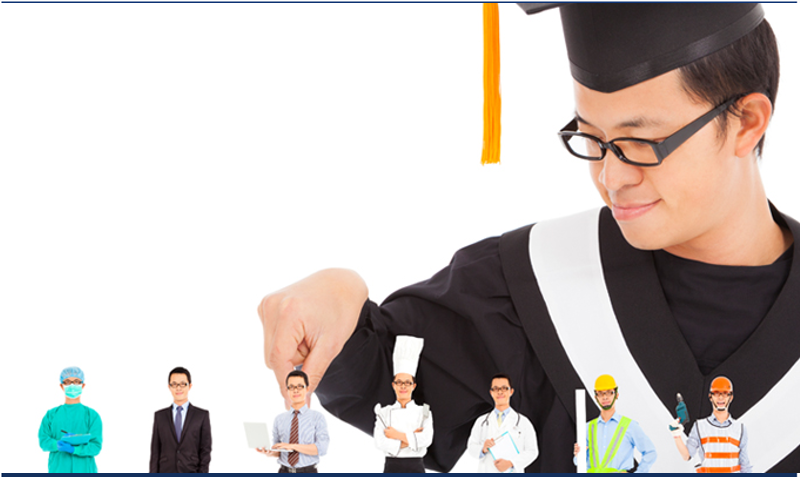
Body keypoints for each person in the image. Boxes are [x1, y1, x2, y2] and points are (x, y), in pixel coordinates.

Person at [257, 4, 799, 472]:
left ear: (747, 121)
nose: (611, 178)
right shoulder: (525, 290)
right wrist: (339, 291)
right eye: (591, 139)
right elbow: (381, 379)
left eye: (639, 142)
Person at [373, 335, 434, 473]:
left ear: (414, 386)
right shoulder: (383, 412)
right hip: (391, 468)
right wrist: (412, 439)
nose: (403, 387)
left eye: (407, 383)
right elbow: (380, 442)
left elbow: (426, 439)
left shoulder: (424, 412)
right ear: (393, 385)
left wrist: (396, 434)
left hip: (416, 467)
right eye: (399, 382)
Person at [573, 375, 656, 473]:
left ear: (616, 395)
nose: (605, 397)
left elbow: (650, 452)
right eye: (601, 393)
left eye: (609, 392)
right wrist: (578, 455)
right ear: (596, 397)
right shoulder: (587, 428)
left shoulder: (630, 426)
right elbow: (579, 462)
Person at [670, 376, 752, 473]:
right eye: (716, 393)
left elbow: (745, 465)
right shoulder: (699, 426)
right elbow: (686, 455)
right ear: (710, 396)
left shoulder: (740, 428)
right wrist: (676, 435)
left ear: (731, 397)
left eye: (725, 393)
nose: (720, 397)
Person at [257, 370, 329, 473]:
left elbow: (322, 449)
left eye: (300, 386)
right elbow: (279, 451)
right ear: (287, 390)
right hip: (284, 471)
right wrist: (269, 452)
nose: (295, 390)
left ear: (307, 388)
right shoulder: (279, 419)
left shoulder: (317, 417)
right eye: (291, 387)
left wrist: (292, 446)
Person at [466, 374, 538, 473]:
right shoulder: (481, 422)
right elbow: (471, 448)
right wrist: (483, 448)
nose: (499, 392)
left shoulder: (523, 422)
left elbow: (532, 451)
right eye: (495, 389)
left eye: (504, 388)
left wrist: (511, 463)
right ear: (491, 392)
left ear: (511, 391)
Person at [38, 367, 103, 473]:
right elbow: (43, 441)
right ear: (61, 386)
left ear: (83, 385)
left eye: (76, 382)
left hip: (85, 470)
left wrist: (75, 449)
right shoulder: (51, 415)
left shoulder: (92, 415)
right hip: (58, 469)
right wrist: (56, 444)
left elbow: (96, 446)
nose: (72, 385)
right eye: (67, 382)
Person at [149, 366, 212, 473]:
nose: (178, 388)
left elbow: (205, 451)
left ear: (190, 386)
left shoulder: (201, 416)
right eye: (174, 384)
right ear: (169, 387)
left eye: (183, 384)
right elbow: (155, 452)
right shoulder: (160, 416)